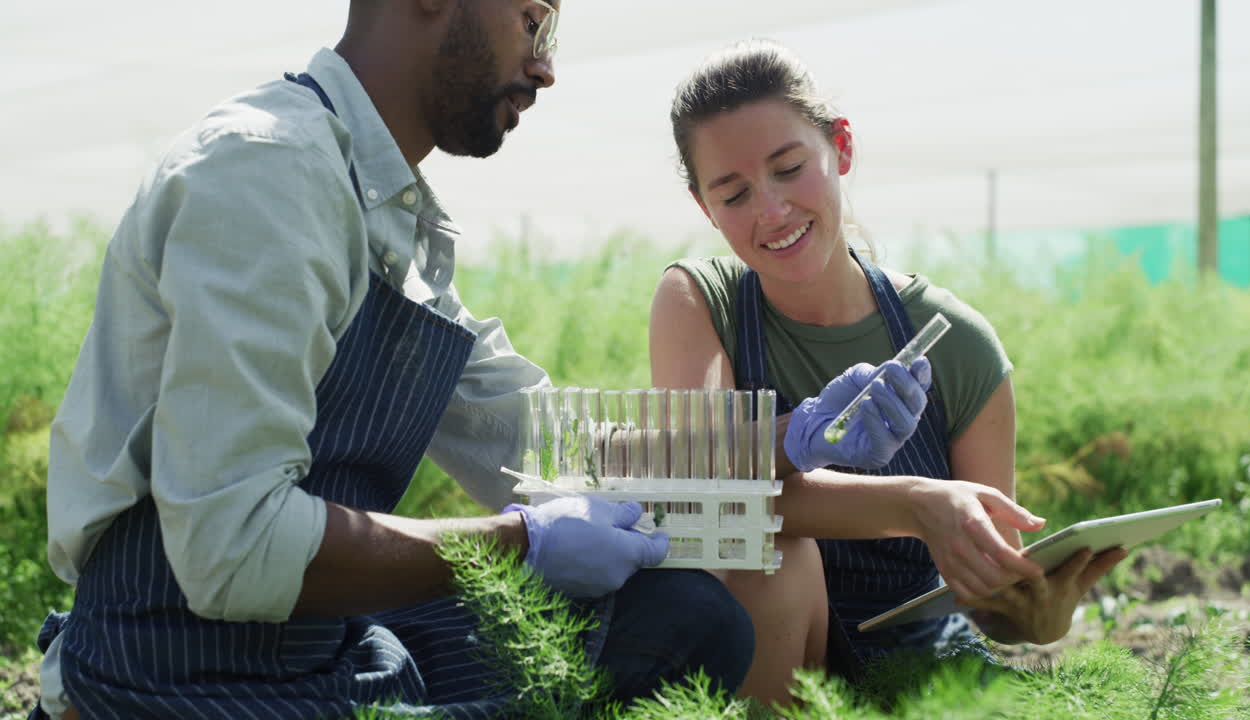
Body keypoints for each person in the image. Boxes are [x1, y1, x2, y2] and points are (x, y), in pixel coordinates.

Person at [29, 3, 764, 718]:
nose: (545, 68)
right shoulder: (270, 169)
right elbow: (232, 544)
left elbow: (541, 440)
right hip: (168, 669)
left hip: (313, 640)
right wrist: (519, 544)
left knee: (682, 617)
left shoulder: (377, 202)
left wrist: (781, 446)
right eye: (534, 20)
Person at [649, 39, 1128, 704]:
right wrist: (916, 505)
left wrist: (1036, 617)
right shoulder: (702, 302)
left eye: (790, 169)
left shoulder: (958, 343)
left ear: (840, 148)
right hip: (762, 651)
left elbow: (987, 593)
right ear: (704, 206)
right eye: (734, 194)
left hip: (915, 663)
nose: (771, 210)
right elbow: (699, 479)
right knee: (767, 553)